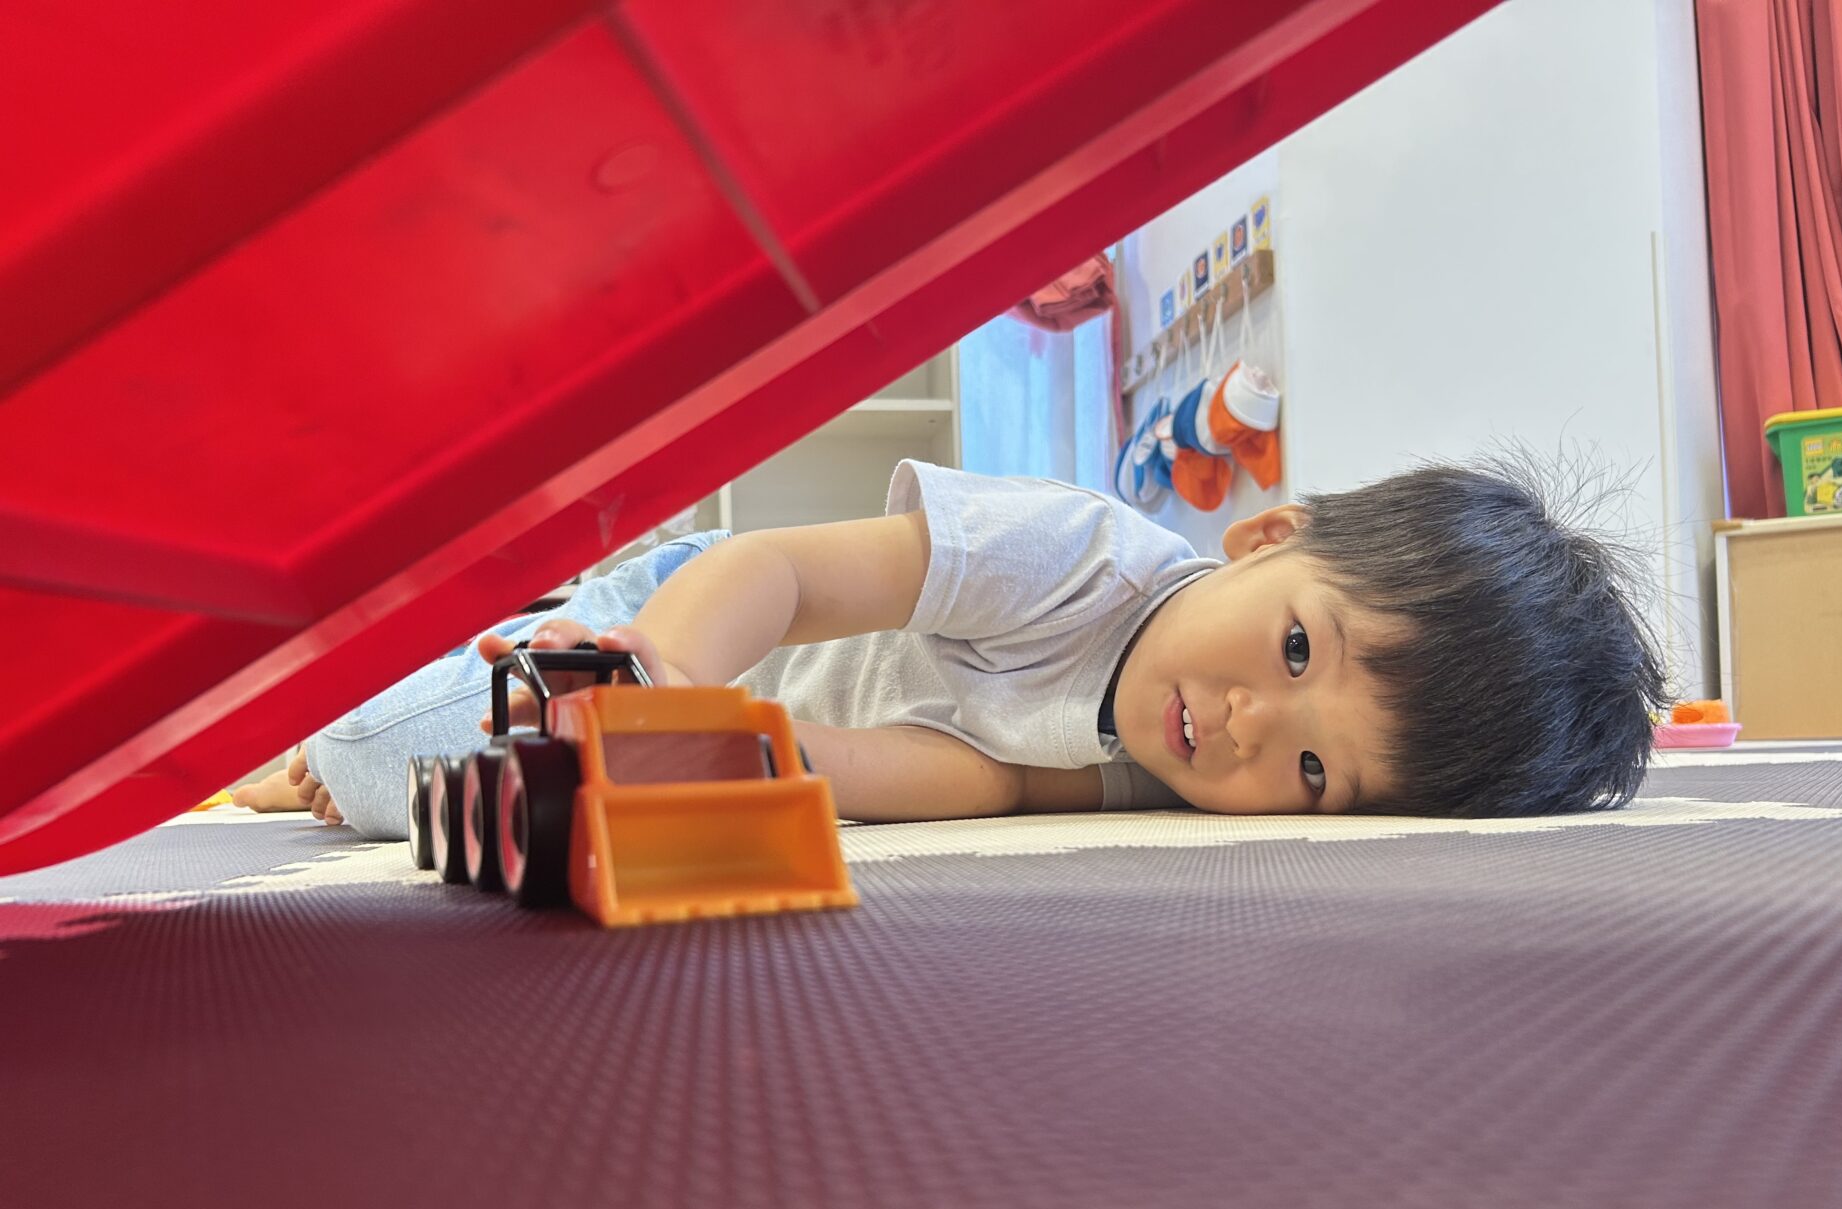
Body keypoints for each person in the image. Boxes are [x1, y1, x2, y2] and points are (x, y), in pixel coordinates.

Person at [261, 457, 1668, 837]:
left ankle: (319, 760)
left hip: (735, 703)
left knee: (503, 803)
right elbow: (778, 573)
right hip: (683, 614)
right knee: (383, 752)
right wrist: (664, 679)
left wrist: (737, 758)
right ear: (1264, 537)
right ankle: (319, 740)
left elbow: (977, 780)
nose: (1250, 727)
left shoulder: (1163, 777)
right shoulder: (1073, 554)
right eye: (1298, 651)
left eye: (1313, 776)